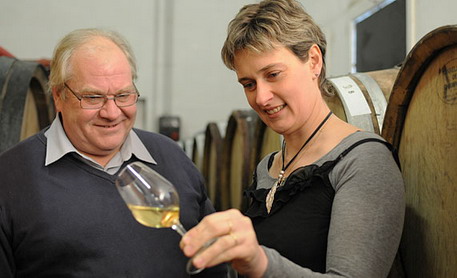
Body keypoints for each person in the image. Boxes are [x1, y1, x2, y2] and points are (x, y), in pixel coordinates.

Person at [179, 0, 405, 277]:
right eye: (249, 84)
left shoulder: (363, 162)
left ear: (313, 61)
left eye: (273, 75)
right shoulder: (268, 166)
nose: (261, 98)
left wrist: (260, 262)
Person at [0, 28, 226, 277]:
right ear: (58, 96)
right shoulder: (10, 178)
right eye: (93, 97)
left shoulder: (172, 157)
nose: (112, 112)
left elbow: (214, 263)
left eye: (123, 95)